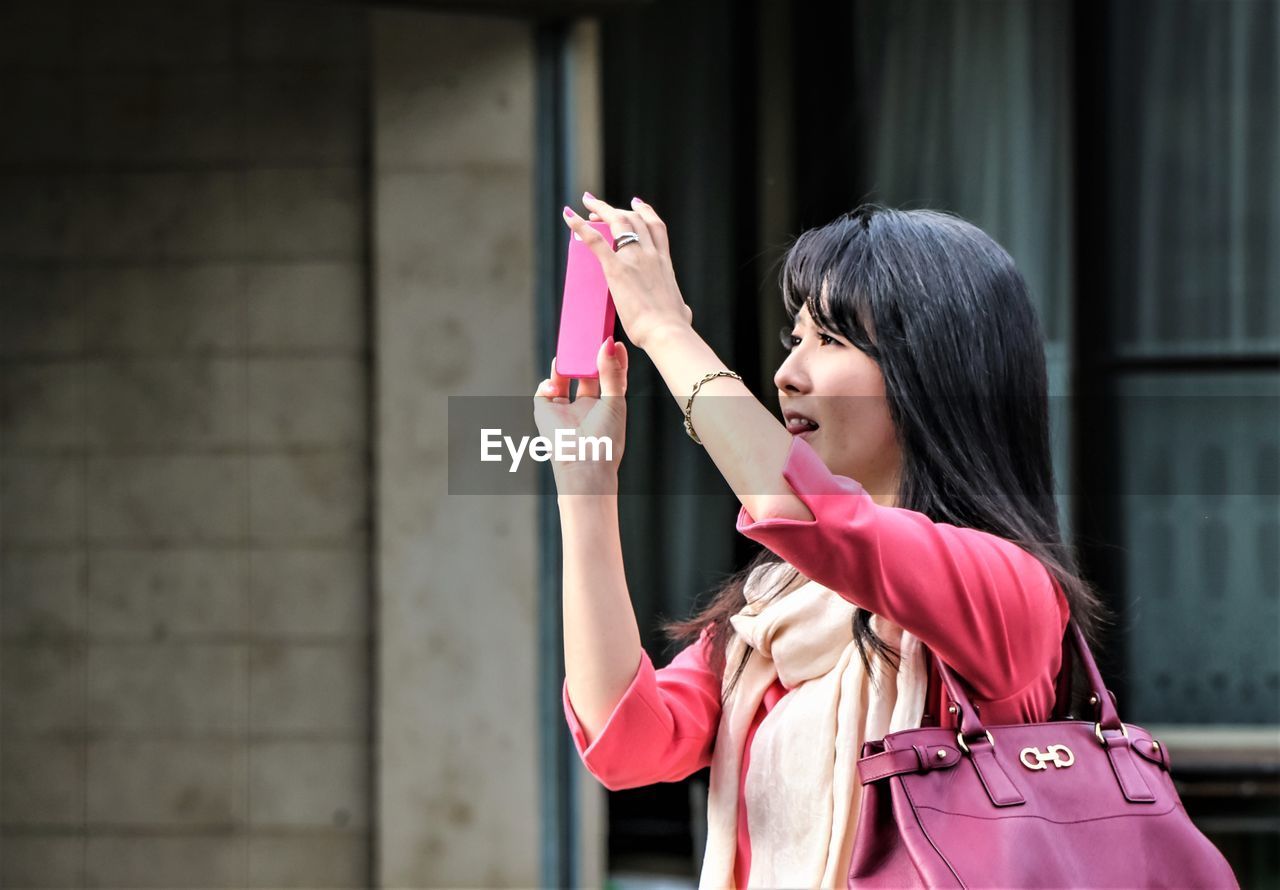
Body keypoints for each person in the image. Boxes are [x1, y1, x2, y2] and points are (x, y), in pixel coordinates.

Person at [532, 196, 1113, 889]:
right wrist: (586, 488)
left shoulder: (1005, 587)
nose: (788, 375)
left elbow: (812, 515)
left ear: (933, 369)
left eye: (830, 341)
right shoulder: (776, 612)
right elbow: (627, 743)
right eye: (794, 340)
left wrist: (663, 328)